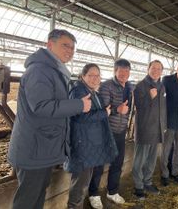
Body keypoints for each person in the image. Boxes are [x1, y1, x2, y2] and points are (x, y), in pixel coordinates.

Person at [7, 29, 91, 209]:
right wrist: (79, 105)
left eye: (72, 48)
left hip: (43, 147)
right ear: (49, 45)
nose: (70, 50)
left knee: (37, 195)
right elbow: (41, 106)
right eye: (65, 45)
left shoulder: (54, 70)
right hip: (34, 148)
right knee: (28, 199)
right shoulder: (39, 70)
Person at [65, 63, 118, 209]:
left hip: (88, 143)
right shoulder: (78, 91)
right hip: (82, 143)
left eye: (97, 75)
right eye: (91, 75)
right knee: (80, 183)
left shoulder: (92, 91)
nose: (95, 78)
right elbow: (80, 117)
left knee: (83, 182)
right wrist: (104, 113)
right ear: (83, 76)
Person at [88, 59, 133, 206]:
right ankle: (93, 194)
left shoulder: (129, 87)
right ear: (115, 71)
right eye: (121, 70)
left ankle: (112, 191)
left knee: (117, 163)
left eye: (127, 71)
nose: (124, 74)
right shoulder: (107, 86)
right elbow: (104, 109)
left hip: (120, 132)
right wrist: (117, 110)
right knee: (99, 164)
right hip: (106, 131)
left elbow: (129, 108)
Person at [132, 60, 167, 200]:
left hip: (157, 128)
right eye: (153, 68)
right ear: (148, 69)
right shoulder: (141, 85)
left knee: (152, 159)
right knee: (140, 159)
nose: (156, 71)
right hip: (145, 128)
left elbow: (163, 108)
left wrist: (163, 125)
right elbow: (138, 107)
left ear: (161, 71)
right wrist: (149, 97)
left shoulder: (162, 86)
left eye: (159, 69)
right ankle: (138, 186)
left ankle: (147, 182)